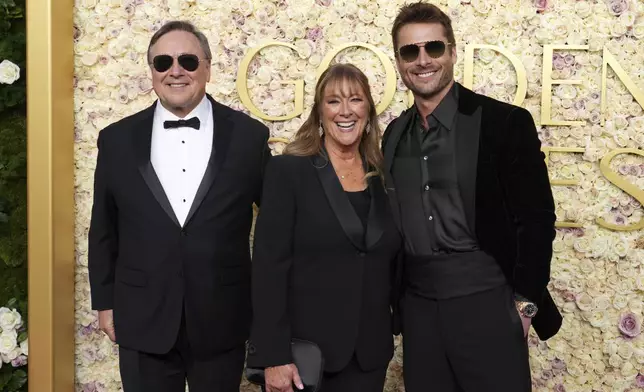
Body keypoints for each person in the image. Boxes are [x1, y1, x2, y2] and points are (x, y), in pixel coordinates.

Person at [382, 3, 563, 392]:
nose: (422, 60)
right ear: (398, 61)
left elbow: (536, 220)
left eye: (433, 47)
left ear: (452, 51)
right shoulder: (393, 134)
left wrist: (525, 308)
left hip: (489, 303)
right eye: (409, 51)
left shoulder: (504, 123)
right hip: (418, 310)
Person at [87, 20, 271, 392]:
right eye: (163, 62)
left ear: (207, 67)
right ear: (151, 71)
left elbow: (277, 223)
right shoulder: (116, 139)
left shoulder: (249, 137)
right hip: (141, 316)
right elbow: (104, 227)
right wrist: (105, 303)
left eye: (188, 60)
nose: (176, 71)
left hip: (223, 316)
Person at [246, 63, 402, 392]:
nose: (345, 111)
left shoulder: (385, 176)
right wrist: (273, 356)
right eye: (333, 101)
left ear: (369, 110)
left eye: (356, 100)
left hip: (368, 358)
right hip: (302, 362)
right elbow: (268, 269)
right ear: (319, 111)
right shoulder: (288, 172)